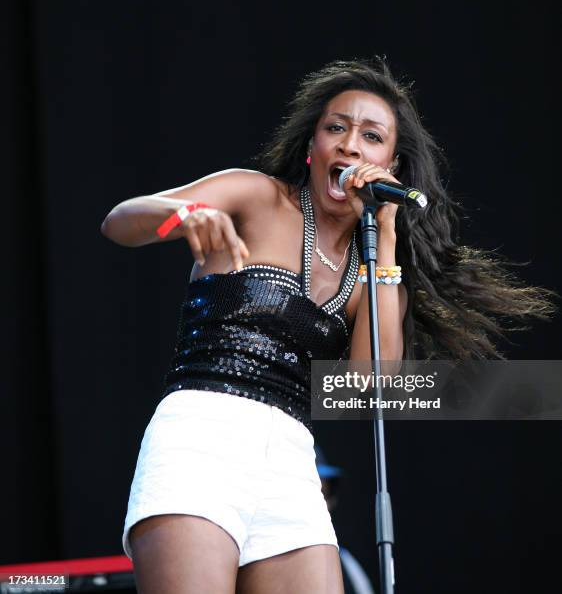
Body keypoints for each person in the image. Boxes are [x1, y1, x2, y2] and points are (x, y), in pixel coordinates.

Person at [100, 57, 553, 594]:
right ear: (312, 148)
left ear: (392, 166)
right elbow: (120, 221)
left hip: (292, 462)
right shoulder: (257, 196)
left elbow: (367, 391)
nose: (350, 145)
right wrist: (182, 217)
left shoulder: (374, 277)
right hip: (201, 434)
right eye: (335, 128)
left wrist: (383, 235)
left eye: (371, 135)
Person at [315, 445, 376, 594]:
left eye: (325, 494)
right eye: (316, 493)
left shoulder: (345, 561)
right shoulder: (267, 553)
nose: (324, 504)